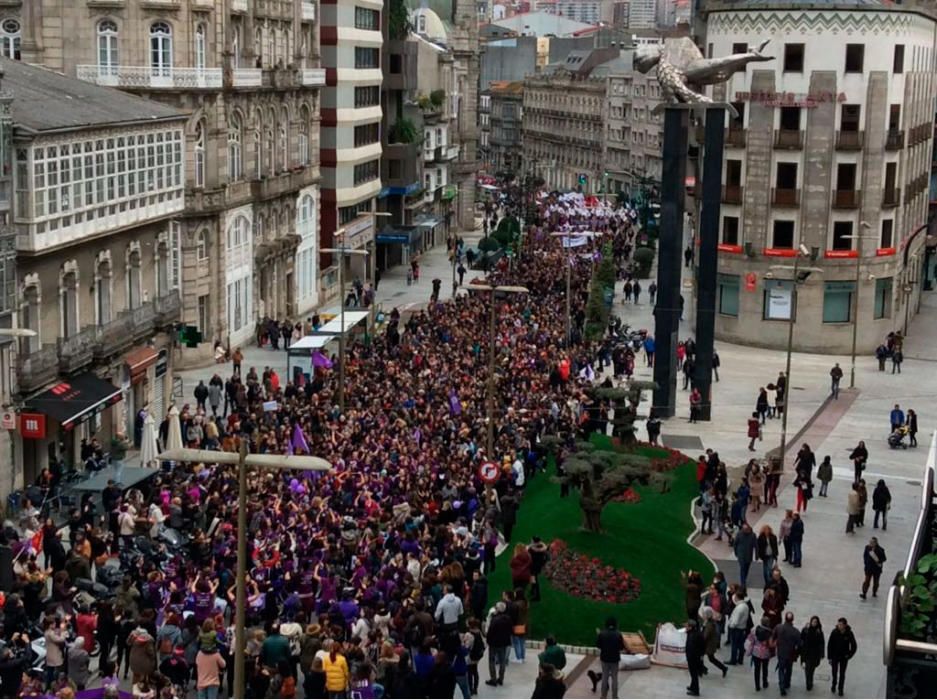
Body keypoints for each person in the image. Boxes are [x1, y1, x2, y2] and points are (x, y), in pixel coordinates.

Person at [772, 612, 801, 697]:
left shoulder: (778, 627)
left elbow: (773, 636)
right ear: (792, 620)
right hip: (790, 653)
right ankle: (787, 683)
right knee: (789, 669)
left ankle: (781, 686)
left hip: (781, 652)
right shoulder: (796, 631)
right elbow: (799, 644)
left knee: (781, 669)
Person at [827, 618, 857, 697]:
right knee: (834, 672)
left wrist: (849, 655)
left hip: (844, 657)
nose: (839, 626)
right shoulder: (834, 632)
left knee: (842, 674)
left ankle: (841, 688)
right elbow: (830, 645)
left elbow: (854, 646)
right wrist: (829, 657)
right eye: (838, 624)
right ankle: (834, 684)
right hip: (834, 656)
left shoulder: (849, 633)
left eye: (841, 624)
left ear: (845, 625)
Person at [596, 616, 625, 699]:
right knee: (615, 678)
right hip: (615, 659)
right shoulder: (618, 634)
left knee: (605, 677)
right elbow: (621, 647)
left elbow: (598, 645)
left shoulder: (602, 634)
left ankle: (603, 696)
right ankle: (614, 696)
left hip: (604, 658)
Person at [485, 601, 512, 687]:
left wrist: (488, 640)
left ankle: (493, 679)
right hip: (503, 643)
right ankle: (501, 678)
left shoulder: (495, 620)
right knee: (502, 661)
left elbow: (490, 632)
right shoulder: (508, 619)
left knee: (492, 661)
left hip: (494, 643)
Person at [745, 616, 775, 692]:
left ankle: (757, 686)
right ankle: (765, 682)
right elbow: (771, 644)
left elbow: (750, 640)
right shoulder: (770, 632)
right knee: (765, 668)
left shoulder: (754, 630)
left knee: (757, 669)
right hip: (766, 653)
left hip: (756, 652)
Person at [195, 633, 226, 700]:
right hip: (213, 682)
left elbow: (197, 663)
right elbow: (223, 664)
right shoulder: (216, 654)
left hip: (201, 681)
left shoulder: (200, 653)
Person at [700, 607, 728, 678]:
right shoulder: (709, 622)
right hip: (708, 645)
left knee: (708, 658)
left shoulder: (709, 625)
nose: (702, 615)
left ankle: (723, 668)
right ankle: (703, 669)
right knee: (704, 657)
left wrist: (702, 629)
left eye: (704, 614)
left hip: (708, 645)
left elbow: (705, 636)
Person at [800, 616, 825, 691]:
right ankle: (808, 683)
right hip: (806, 653)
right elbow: (801, 639)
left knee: (812, 669)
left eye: (815, 622)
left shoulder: (819, 632)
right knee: (807, 669)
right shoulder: (806, 630)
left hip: (815, 654)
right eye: (813, 621)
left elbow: (821, 643)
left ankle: (810, 680)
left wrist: (822, 653)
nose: (814, 623)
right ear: (810, 622)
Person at [684, 619, 705, 697]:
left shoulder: (693, 636)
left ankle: (696, 691)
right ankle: (692, 686)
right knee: (692, 673)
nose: (685, 627)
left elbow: (692, 648)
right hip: (693, 657)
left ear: (690, 627)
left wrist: (690, 656)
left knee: (694, 674)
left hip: (693, 658)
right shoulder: (693, 633)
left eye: (687, 626)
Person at [733, 524, 756, 590]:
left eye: (746, 529)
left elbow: (755, 545)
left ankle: (744, 578)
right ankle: (743, 583)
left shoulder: (752, 535)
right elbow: (735, 544)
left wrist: (757, 554)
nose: (745, 531)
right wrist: (736, 552)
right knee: (742, 568)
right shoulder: (739, 534)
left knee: (746, 568)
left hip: (749, 554)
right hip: (741, 555)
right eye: (744, 529)